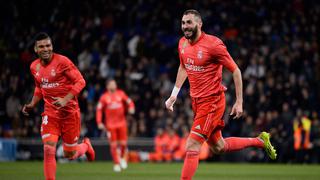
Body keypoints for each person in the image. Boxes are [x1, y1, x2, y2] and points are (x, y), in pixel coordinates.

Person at [165, 10, 277, 180]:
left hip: (212, 102)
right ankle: (260, 141)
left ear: (199, 24)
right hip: (196, 101)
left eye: (189, 22)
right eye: (183, 23)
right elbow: (183, 67)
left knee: (192, 144)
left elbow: (236, 70)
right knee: (219, 146)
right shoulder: (182, 43)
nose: (185, 26)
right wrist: (174, 94)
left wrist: (239, 102)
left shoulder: (213, 45)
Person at [22, 32, 95, 180]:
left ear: (52, 46)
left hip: (70, 114)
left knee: (70, 154)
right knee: (49, 148)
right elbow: (39, 87)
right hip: (50, 113)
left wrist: (65, 99)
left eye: (48, 45)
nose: (45, 49)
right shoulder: (34, 67)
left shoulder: (63, 62)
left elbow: (81, 81)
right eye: (41, 46)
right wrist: (32, 104)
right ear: (36, 49)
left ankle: (86, 146)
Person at [96, 79, 135, 172]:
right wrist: (99, 122)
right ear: (108, 86)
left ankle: (122, 158)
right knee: (113, 145)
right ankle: (116, 163)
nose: (114, 85)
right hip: (110, 125)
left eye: (115, 83)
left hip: (122, 123)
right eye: (112, 84)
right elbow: (99, 110)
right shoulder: (104, 97)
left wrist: (131, 108)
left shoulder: (121, 94)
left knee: (123, 144)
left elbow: (130, 102)